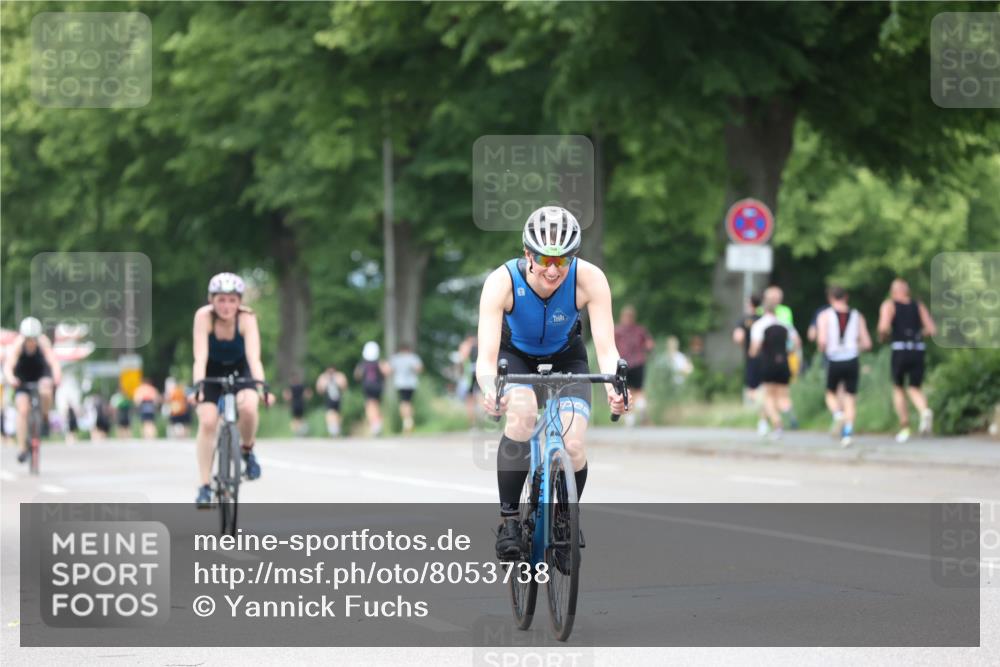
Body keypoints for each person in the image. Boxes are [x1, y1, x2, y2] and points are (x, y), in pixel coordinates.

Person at [477, 206, 626, 560]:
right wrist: (490, 391)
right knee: (523, 412)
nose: (553, 269)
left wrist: (613, 390)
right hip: (516, 359)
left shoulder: (589, 279)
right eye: (544, 258)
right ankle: (509, 520)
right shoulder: (502, 282)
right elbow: (485, 357)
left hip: (567, 358)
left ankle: (564, 519)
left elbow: (606, 347)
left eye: (563, 260)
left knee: (574, 445)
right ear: (528, 253)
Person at [192, 272, 271, 508]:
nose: (226, 306)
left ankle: (247, 450)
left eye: (232, 300)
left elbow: (254, 357)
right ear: (211, 300)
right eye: (221, 300)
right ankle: (205, 486)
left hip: (241, 369)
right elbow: (200, 357)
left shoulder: (247, 318)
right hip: (211, 370)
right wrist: (198, 387)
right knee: (207, 421)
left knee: (248, 406)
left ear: (239, 301)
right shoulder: (203, 317)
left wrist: (261, 386)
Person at [877, 278, 937, 443]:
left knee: (898, 388)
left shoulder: (889, 305)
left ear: (893, 291)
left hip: (900, 349)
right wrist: (916, 333)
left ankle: (904, 426)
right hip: (918, 349)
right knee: (914, 387)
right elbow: (932, 329)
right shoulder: (918, 306)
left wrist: (883, 336)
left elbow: (883, 327)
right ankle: (924, 411)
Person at [816, 286, 872, 447]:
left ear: (830, 298)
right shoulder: (857, 316)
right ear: (846, 297)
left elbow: (822, 342)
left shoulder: (825, 316)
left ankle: (838, 414)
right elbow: (867, 343)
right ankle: (847, 433)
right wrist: (855, 347)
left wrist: (823, 350)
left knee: (830, 393)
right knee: (850, 398)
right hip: (852, 359)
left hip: (834, 359)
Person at [3, 317, 62, 463]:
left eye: (33, 339)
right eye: (28, 339)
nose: (31, 342)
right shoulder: (18, 345)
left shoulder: (43, 343)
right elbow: (8, 366)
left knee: (46, 391)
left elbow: (53, 362)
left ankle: (45, 416)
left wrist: (56, 377)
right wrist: (11, 379)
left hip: (40, 375)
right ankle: (23, 447)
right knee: (23, 410)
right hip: (21, 379)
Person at [749, 291, 802, 441]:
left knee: (768, 397)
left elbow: (754, 349)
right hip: (783, 364)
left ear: (763, 310)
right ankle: (787, 410)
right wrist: (786, 351)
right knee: (782, 396)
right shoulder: (785, 324)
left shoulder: (759, 325)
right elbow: (796, 343)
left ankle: (777, 423)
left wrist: (754, 354)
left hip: (768, 364)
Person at [614, 305, 654, 426]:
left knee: (626, 391)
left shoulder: (617, 331)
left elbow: (610, 346)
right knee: (639, 390)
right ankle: (641, 407)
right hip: (638, 363)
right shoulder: (640, 330)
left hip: (624, 364)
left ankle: (629, 419)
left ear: (622, 317)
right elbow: (650, 345)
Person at [732, 294, 763, 405]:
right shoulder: (763, 318)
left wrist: (743, 345)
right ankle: (763, 407)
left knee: (752, 384)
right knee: (764, 383)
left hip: (751, 355)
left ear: (750, 304)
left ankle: (754, 406)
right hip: (766, 356)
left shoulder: (744, 319)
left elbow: (738, 337)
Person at [355, 341, 390, 436]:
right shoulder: (379, 362)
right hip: (378, 386)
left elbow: (357, 375)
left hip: (367, 386)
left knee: (370, 406)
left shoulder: (363, 363)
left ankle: (375, 426)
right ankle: (377, 424)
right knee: (377, 405)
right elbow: (387, 371)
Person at [389, 343, 423, 434]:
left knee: (404, 403)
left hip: (400, 384)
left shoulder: (396, 358)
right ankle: (409, 421)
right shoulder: (413, 357)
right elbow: (419, 369)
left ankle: (407, 422)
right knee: (408, 402)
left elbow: (390, 370)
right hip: (411, 384)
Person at [316, 366, 348, 437]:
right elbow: (319, 389)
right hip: (328, 398)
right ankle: (332, 429)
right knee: (330, 413)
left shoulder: (339, 376)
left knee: (337, 414)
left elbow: (344, 386)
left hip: (337, 398)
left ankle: (337, 428)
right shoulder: (323, 377)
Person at [456, 333, 480, 428]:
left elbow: (462, 359)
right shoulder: (480, 344)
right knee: (479, 396)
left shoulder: (465, 345)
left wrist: (460, 372)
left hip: (469, 373)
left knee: (469, 399)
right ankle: (482, 418)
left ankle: (473, 423)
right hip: (479, 372)